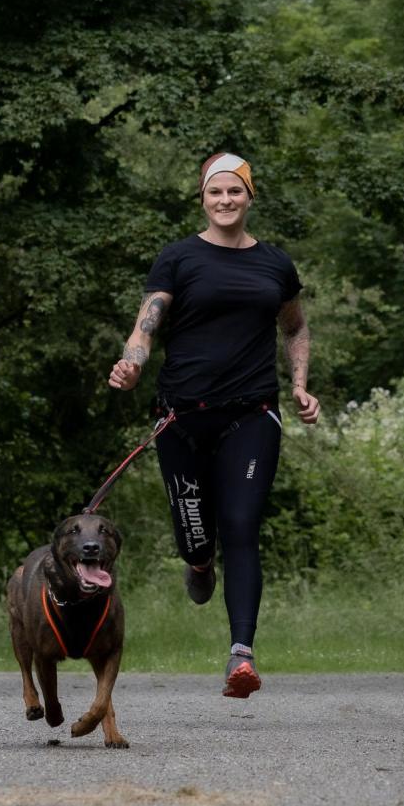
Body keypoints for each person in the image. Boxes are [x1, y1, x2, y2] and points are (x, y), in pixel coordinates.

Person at [108, 152, 320, 698]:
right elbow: (147, 322)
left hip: (251, 414)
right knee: (195, 538)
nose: (225, 200)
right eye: (215, 192)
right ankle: (199, 562)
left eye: (235, 191)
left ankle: (241, 655)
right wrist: (132, 363)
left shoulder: (275, 264)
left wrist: (300, 383)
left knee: (242, 525)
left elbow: (295, 327)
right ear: (203, 198)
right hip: (182, 418)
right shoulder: (179, 258)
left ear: (250, 197)